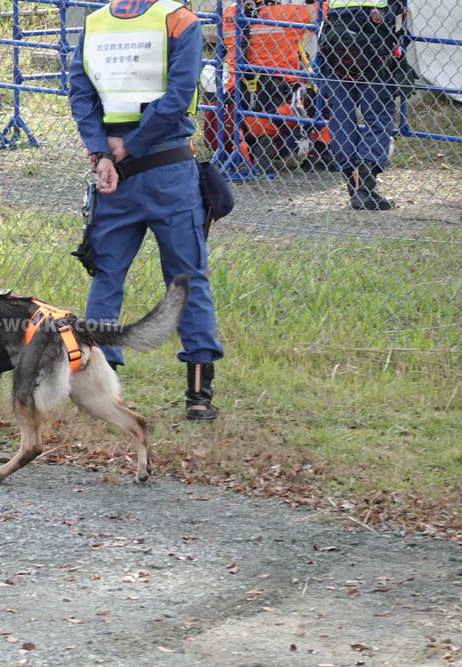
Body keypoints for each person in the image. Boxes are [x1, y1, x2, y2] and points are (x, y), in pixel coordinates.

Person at [69, 0, 224, 420]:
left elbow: (81, 96)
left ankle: (97, 391)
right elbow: (177, 97)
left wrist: (103, 153)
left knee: (107, 278)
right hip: (167, 171)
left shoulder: (95, 23)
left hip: (114, 178)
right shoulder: (179, 20)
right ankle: (198, 397)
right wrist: (131, 146)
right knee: (186, 280)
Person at [219, 0, 335, 173]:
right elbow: (325, 10)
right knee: (332, 104)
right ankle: (320, 156)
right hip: (281, 110)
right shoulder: (287, 13)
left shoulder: (227, 14)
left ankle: (256, 145)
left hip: (239, 111)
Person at [319, 0, 405, 210]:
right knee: (378, 113)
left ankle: (353, 185)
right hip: (373, 28)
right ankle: (364, 187)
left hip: (336, 28)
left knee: (340, 115)